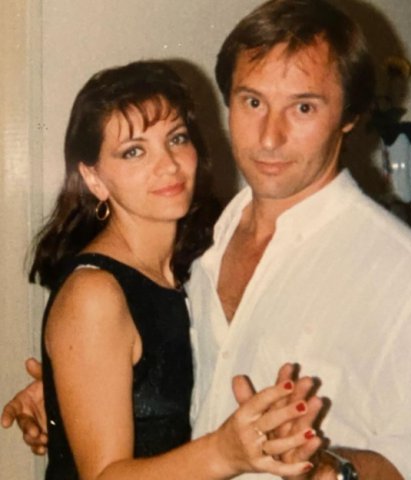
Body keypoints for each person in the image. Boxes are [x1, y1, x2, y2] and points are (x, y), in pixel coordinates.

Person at [4, 0, 411, 478]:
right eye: (253, 102)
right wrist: (76, 395)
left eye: (302, 107)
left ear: (349, 115)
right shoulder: (202, 246)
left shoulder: (407, 275)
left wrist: (332, 469)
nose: (270, 137)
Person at [2, 59, 322, 480]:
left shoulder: (198, 266)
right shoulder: (95, 294)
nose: (168, 164)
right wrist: (224, 452)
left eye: (177, 138)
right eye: (134, 151)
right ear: (94, 179)